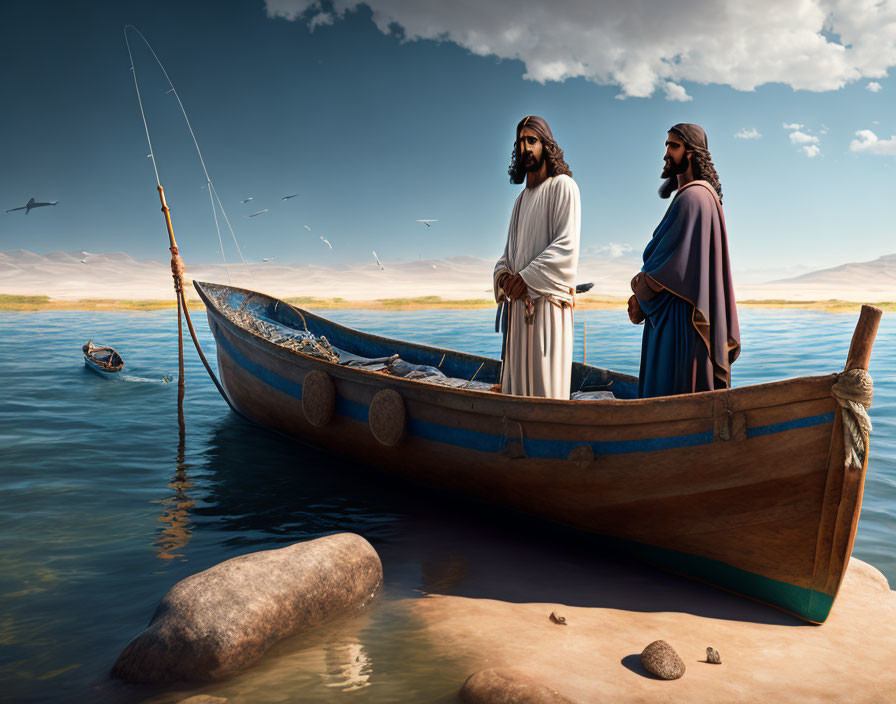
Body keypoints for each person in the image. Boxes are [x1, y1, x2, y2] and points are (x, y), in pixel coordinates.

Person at [628, 123, 740, 398]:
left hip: (678, 326)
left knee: (669, 399)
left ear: (691, 153)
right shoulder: (704, 197)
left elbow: (668, 269)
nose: (666, 153)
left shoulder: (693, 198)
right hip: (681, 320)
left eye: (673, 146)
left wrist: (638, 293)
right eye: (666, 145)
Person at [494, 115, 581, 399]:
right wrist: (505, 277)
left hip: (547, 310)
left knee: (546, 389)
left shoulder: (563, 187)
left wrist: (526, 279)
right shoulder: (520, 201)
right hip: (519, 311)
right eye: (521, 142)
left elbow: (565, 247)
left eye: (532, 140)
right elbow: (509, 254)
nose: (526, 148)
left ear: (546, 145)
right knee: (516, 387)